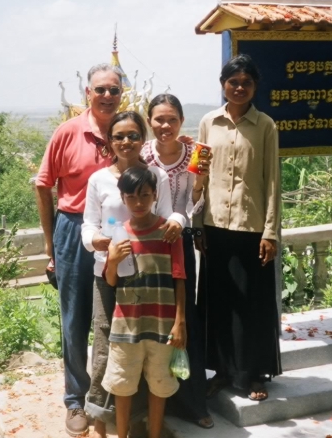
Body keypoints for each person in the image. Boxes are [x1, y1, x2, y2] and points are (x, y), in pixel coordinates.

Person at [81, 110, 184, 437]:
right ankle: (100, 419)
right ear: (109, 141)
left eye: (133, 135)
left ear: (144, 138)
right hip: (109, 272)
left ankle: (143, 421)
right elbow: (89, 225)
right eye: (119, 136)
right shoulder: (99, 179)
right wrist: (99, 243)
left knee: (148, 346)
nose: (126, 142)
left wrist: (179, 222)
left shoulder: (157, 175)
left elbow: (168, 216)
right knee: (104, 348)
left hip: (151, 276)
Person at [35, 63, 123, 436]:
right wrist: (50, 242)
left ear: (122, 95)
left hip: (116, 230)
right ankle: (76, 400)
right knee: (75, 320)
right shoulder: (68, 132)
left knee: (117, 316)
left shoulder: (127, 132)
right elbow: (43, 185)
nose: (106, 96)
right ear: (88, 93)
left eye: (114, 90)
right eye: (100, 89)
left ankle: (112, 395)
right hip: (72, 229)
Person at [195, 53, 282, 402]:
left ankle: (255, 374)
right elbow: (199, 176)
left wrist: (271, 232)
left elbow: (273, 182)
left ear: (255, 86)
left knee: (252, 305)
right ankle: (222, 371)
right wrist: (197, 224)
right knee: (218, 302)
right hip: (215, 227)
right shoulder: (208, 123)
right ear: (223, 85)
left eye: (246, 82)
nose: (240, 87)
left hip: (252, 230)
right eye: (233, 82)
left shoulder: (266, 127)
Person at [141, 93, 214, 429]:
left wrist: (199, 184)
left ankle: (193, 402)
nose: (165, 125)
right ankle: (151, 399)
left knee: (185, 322)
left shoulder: (193, 155)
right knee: (151, 320)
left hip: (179, 243)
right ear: (149, 121)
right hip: (147, 247)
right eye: (159, 119)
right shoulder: (142, 155)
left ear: (181, 120)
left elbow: (193, 204)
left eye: (171, 119)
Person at [102, 166, 187, 438]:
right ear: (122, 198)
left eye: (145, 196)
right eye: (131, 197)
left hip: (162, 326)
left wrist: (180, 323)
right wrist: (113, 260)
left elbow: (179, 278)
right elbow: (111, 281)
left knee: (159, 384)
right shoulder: (119, 234)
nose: (138, 203)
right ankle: (122, 434)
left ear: (155, 195)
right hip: (126, 326)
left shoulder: (169, 232)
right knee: (122, 385)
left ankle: (154, 433)